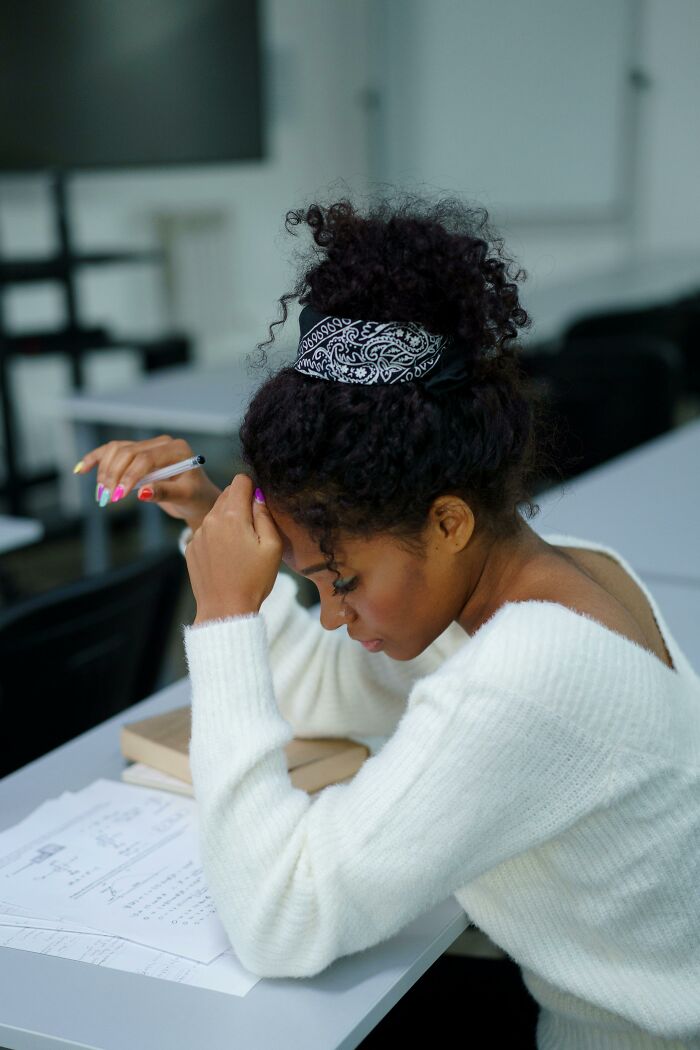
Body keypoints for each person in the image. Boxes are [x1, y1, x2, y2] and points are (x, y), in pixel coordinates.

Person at [77, 197, 700, 1049]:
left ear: (447, 522)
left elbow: (281, 919)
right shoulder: (569, 573)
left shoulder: (527, 675)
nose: (335, 617)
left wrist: (224, 615)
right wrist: (207, 526)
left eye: (344, 580)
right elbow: (331, 694)